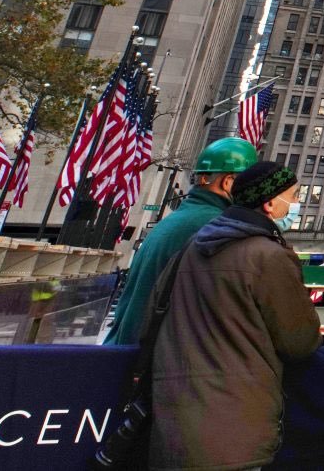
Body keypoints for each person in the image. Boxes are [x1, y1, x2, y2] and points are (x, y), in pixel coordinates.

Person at [144, 160, 320, 471]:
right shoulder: (269, 256)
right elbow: (300, 342)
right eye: (293, 196)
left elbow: (153, 316)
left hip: (172, 419)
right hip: (235, 429)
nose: (296, 205)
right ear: (269, 203)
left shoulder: (191, 247)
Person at [107, 137, 257, 345]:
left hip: (129, 346)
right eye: (250, 185)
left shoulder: (180, 219)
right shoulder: (214, 227)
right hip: (153, 359)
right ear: (228, 182)